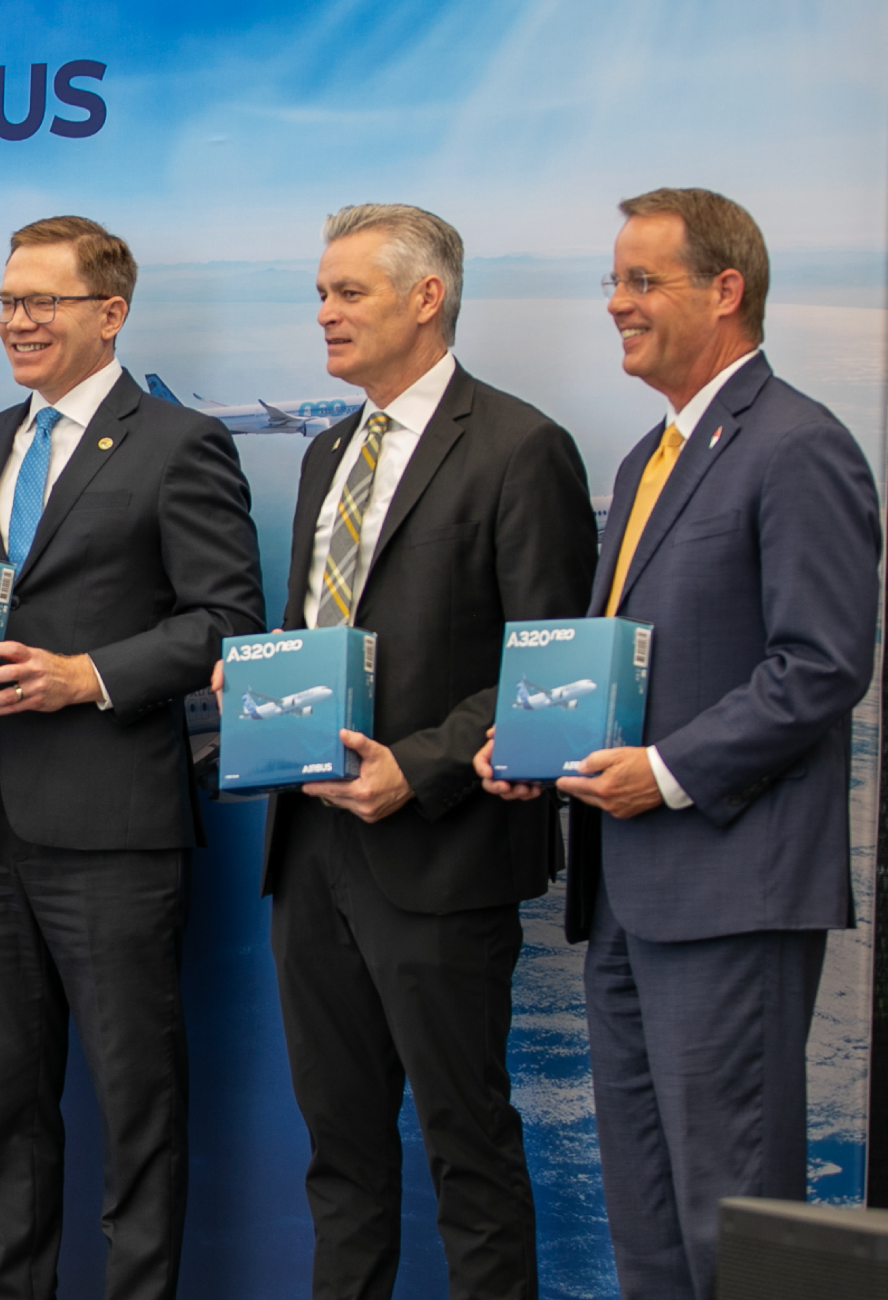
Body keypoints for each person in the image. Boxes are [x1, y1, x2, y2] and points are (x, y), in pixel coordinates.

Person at [478, 188, 880, 1300]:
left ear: (725, 289)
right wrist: (536, 743)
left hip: (728, 894)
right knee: (645, 1218)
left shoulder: (797, 445)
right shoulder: (648, 456)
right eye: (612, 281)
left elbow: (820, 665)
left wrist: (663, 773)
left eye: (640, 280)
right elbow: (628, 659)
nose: (616, 302)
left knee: (728, 1218)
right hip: (627, 894)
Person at [0, 215, 264, 1300]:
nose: (18, 322)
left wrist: (87, 675)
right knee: (2, 1111)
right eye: (7, 301)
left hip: (114, 828)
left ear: (110, 313)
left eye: (42, 301)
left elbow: (227, 621)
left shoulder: (179, 442)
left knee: (137, 1106)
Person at [255, 204, 597, 1300]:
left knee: (467, 1150)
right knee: (339, 1155)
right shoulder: (326, 453)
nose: (324, 312)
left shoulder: (520, 446)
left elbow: (550, 664)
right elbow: (316, 630)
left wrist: (422, 766)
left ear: (426, 297)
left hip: (441, 857)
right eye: (320, 292)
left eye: (348, 292)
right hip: (310, 854)